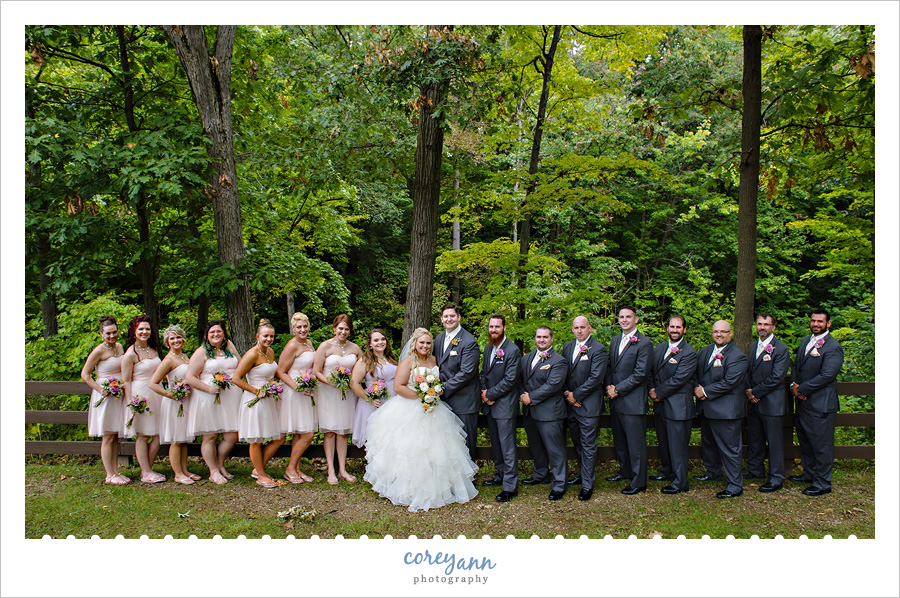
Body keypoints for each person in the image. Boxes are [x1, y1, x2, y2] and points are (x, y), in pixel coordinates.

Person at [363, 327, 478, 511]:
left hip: (434, 408)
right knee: (412, 450)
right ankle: (408, 489)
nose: (425, 346)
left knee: (437, 450)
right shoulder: (408, 362)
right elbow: (399, 387)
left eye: (428, 343)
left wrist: (433, 393)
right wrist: (421, 397)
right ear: (414, 343)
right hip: (411, 406)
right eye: (421, 342)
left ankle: (439, 486)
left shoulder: (434, 360)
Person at [790, 309, 845, 496]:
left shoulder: (833, 347)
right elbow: (796, 365)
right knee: (806, 441)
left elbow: (828, 375)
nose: (815, 324)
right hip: (804, 404)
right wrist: (793, 385)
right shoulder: (806, 341)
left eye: (820, 321)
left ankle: (823, 483)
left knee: (822, 445)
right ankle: (809, 473)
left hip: (821, 405)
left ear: (828, 324)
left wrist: (802, 389)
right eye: (813, 321)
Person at [694, 320, 748, 499]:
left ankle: (734, 485)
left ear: (730, 334)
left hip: (726, 411)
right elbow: (695, 374)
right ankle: (713, 472)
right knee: (708, 444)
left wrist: (705, 391)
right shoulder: (704, 351)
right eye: (716, 331)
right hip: (706, 408)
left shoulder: (737, 356)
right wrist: (697, 388)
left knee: (730, 449)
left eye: (723, 332)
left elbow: (730, 382)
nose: (719, 335)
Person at [185, 320, 242, 484]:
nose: (216, 334)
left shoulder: (229, 346)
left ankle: (220, 463)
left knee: (232, 435)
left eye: (219, 331)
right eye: (212, 332)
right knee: (210, 436)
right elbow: (189, 377)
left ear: (224, 333)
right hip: (209, 397)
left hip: (231, 396)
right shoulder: (202, 352)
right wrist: (208, 388)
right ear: (207, 335)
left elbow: (240, 365)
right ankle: (213, 470)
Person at [605, 306, 653, 495]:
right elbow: (610, 368)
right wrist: (609, 387)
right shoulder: (615, 340)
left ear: (636, 320)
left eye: (628, 317)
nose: (624, 320)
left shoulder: (644, 343)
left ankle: (639, 481)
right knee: (621, 441)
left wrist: (618, 389)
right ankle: (625, 471)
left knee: (636, 444)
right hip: (615, 400)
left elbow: (641, 374)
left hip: (633, 402)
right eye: (621, 317)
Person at [648, 315, 698, 494]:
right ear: (667, 328)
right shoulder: (660, 348)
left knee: (678, 446)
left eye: (678, 327)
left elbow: (679, 379)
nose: (674, 330)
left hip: (678, 407)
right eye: (672, 327)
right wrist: (652, 388)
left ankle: (680, 482)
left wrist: (658, 393)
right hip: (661, 405)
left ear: (684, 330)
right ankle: (667, 471)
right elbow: (651, 371)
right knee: (664, 442)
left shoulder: (689, 352)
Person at [519, 326, 569, 501]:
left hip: (550, 413)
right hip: (530, 412)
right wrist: (522, 395)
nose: (541, 340)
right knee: (536, 446)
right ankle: (541, 475)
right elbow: (519, 380)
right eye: (539, 336)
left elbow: (553, 385)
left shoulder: (559, 361)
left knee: (555, 450)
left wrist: (531, 397)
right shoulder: (526, 358)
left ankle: (560, 483)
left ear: (551, 339)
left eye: (545, 337)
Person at [561, 316, 608, 501]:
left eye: (582, 327)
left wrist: (576, 395)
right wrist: (567, 394)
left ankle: (587, 485)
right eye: (576, 328)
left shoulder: (598, 349)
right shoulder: (567, 347)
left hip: (588, 405)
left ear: (590, 328)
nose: (579, 330)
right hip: (570, 405)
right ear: (572, 329)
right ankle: (581, 474)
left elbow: (596, 378)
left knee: (588, 445)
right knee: (577, 443)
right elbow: (561, 372)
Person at [234, 319, 285, 488]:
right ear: (257, 336)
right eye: (265, 336)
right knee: (256, 439)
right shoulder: (252, 354)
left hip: (269, 400)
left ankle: (258, 468)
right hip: (254, 400)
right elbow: (236, 378)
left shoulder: (269, 352)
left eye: (271, 336)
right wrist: (256, 391)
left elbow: (273, 373)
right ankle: (261, 474)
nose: (268, 339)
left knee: (278, 438)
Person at [313, 314, 363, 485]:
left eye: (347, 329)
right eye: (340, 328)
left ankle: (342, 469)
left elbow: (360, 370)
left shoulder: (355, 348)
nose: (343, 331)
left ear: (350, 330)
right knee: (329, 432)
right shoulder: (324, 346)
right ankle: (331, 470)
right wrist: (331, 383)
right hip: (328, 392)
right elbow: (317, 371)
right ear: (334, 328)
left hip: (347, 394)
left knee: (342, 433)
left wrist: (351, 382)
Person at [149, 325, 200, 485]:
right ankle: (178, 474)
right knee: (176, 439)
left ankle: (185, 470)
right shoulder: (169, 360)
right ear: (167, 342)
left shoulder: (185, 357)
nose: (176, 340)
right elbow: (153, 383)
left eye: (178, 337)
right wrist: (170, 394)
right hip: (174, 403)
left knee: (183, 438)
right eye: (172, 338)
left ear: (183, 339)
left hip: (185, 402)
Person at [745, 313, 791, 492]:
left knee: (774, 442)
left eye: (766, 324)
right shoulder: (752, 347)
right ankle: (755, 470)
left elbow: (777, 377)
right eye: (759, 324)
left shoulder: (780, 349)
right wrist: (749, 392)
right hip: (754, 402)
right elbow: (748, 372)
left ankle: (776, 477)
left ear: (773, 327)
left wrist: (755, 392)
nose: (762, 327)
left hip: (772, 403)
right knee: (755, 438)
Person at [81, 315, 129, 484]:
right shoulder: (99, 351)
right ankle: (109, 474)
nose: (112, 336)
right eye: (108, 333)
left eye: (114, 332)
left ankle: (116, 471)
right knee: (108, 435)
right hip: (106, 395)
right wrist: (101, 389)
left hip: (118, 393)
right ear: (102, 334)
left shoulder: (120, 347)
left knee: (115, 434)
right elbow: (85, 374)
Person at [479, 314, 522, 502]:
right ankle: (500, 475)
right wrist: (483, 393)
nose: (493, 330)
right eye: (491, 327)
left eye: (497, 326)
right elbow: (483, 373)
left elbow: (511, 380)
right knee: (496, 444)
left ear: (504, 328)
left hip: (504, 406)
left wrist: (490, 394)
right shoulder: (489, 347)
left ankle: (510, 486)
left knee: (507, 446)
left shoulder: (512, 350)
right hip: (490, 404)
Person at [432, 303, 481, 461]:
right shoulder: (439, 339)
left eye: (452, 316)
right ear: (441, 319)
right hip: (443, 399)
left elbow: (467, 373)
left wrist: (443, 388)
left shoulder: (469, 341)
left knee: (466, 440)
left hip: (464, 400)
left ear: (459, 317)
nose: (449, 319)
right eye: (446, 316)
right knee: (448, 439)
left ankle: (470, 476)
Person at [120, 315, 166, 483]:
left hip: (157, 393)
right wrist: (131, 403)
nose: (144, 332)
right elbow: (126, 380)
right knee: (143, 435)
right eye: (141, 329)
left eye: (147, 329)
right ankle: (146, 472)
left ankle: (147, 469)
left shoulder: (153, 349)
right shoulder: (130, 354)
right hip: (141, 395)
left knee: (159, 434)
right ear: (134, 331)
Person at [274, 312, 318, 483]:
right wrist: (298, 387)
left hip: (306, 392)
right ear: (293, 329)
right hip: (294, 392)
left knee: (301, 434)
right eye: (298, 327)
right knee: (308, 434)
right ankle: (290, 467)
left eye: (305, 326)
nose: (302, 329)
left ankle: (297, 469)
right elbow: (280, 371)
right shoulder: (292, 346)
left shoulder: (309, 343)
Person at [350, 328, 398, 451]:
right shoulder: (365, 360)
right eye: (376, 340)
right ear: (370, 344)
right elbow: (353, 383)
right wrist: (369, 399)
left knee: (390, 439)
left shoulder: (391, 358)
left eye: (383, 339)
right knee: (376, 440)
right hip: (375, 404)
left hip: (392, 403)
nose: (380, 342)